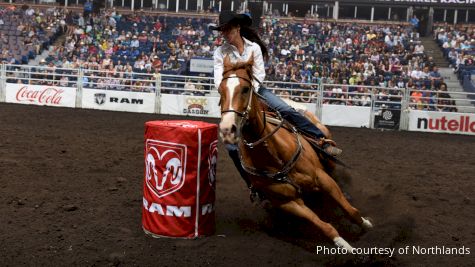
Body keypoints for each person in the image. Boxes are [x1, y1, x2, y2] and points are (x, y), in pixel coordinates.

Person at [211, 11, 341, 188]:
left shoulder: (253, 48)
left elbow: (259, 74)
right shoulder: (220, 52)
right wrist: (232, 93)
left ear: (237, 28)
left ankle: (321, 141)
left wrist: (250, 94)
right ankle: (252, 184)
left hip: (256, 91)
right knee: (231, 144)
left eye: (228, 30)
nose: (225, 34)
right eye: (222, 31)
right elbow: (219, 79)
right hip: (234, 97)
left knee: (286, 110)